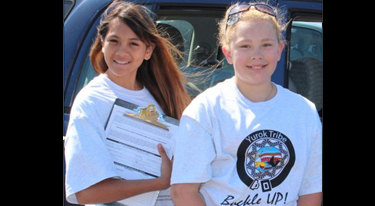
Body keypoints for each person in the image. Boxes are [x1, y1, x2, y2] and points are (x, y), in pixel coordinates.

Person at [170, 1, 322, 206]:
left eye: (266, 45)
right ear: (228, 53)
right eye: (245, 46)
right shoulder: (205, 110)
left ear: (280, 50)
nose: (256, 55)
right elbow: (183, 192)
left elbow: (311, 191)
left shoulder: (305, 112)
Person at [64, 0, 191, 205]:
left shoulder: (162, 97)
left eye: (133, 43)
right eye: (114, 41)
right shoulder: (91, 101)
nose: (122, 52)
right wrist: (159, 182)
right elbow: (85, 193)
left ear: (148, 51)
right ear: (102, 44)